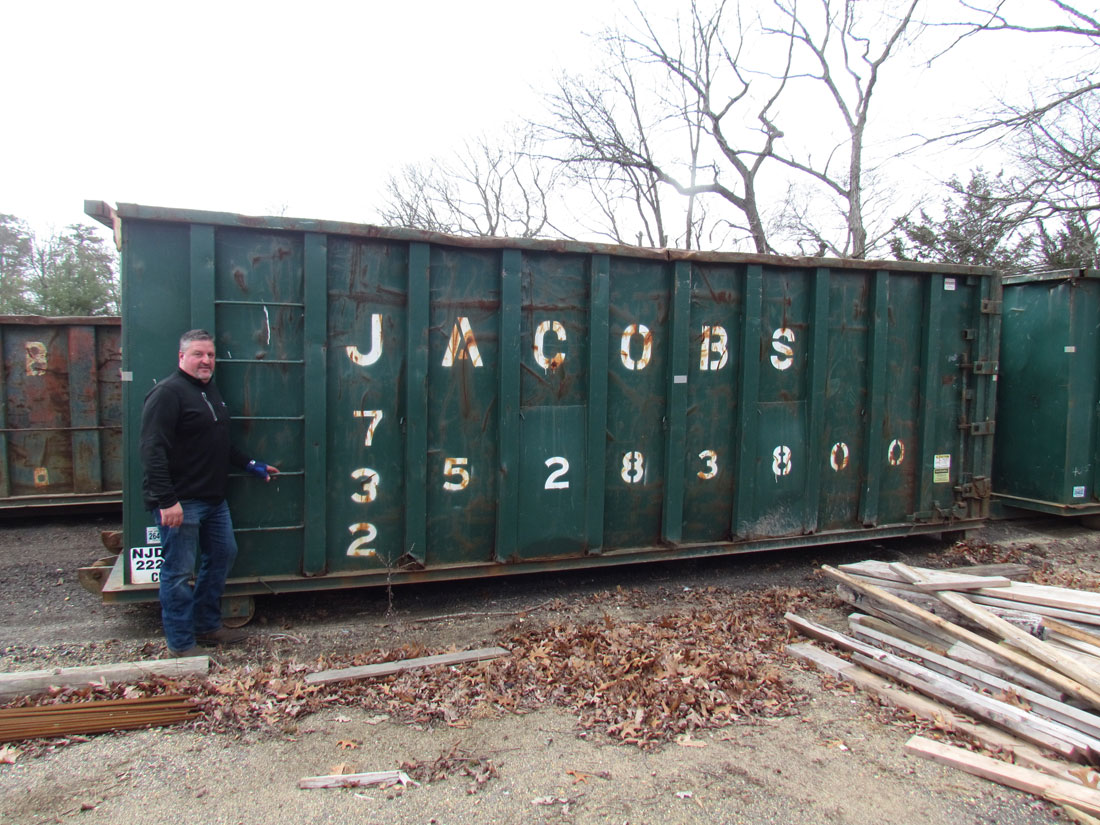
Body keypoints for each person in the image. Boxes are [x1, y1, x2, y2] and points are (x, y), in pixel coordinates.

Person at [140, 329, 279, 657]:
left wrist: (250, 464)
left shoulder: (208, 391)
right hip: (181, 502)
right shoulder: (167, 394)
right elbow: (151, 451)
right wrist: (167, 501)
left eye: (210, 355)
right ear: (181, 357)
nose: (206, 361)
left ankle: (206, 625)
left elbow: (218, 442)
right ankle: (181, 644)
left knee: (222, 556)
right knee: (177, 572)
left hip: (213, 500)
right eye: (198, 354)